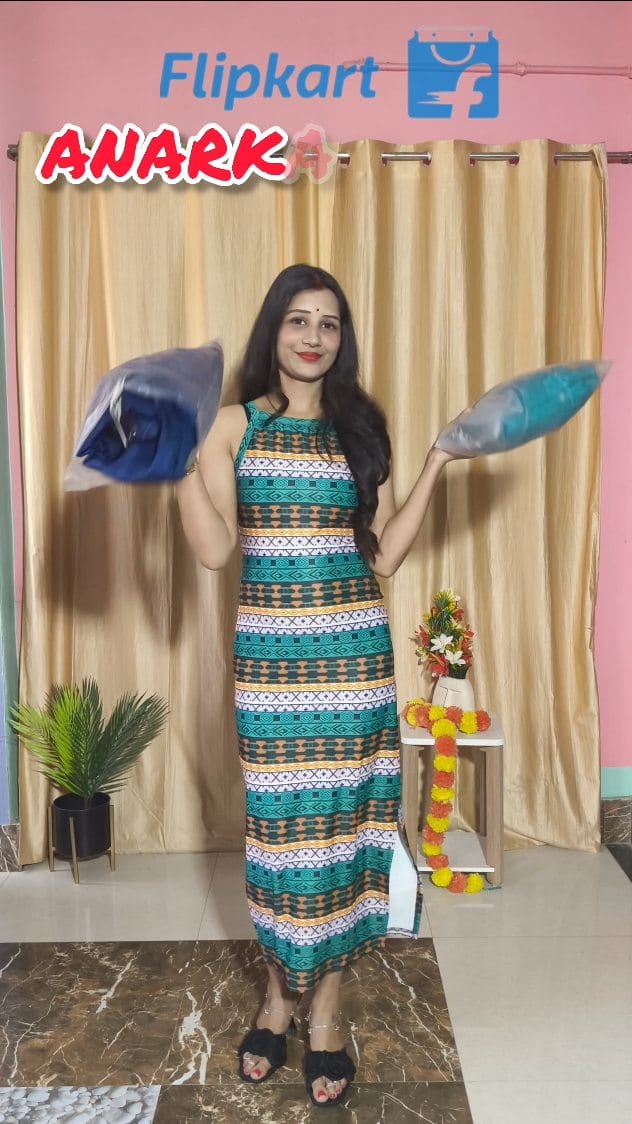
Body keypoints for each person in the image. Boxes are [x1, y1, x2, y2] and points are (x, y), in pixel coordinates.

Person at [176, 263, 458, 1108]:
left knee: (344, 837)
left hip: (355, 662)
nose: (313, 336)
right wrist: (176, 464)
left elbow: (386, 556)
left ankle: (325, 1012)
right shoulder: (233, 425)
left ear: (343, 338)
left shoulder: (357, 427)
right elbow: (215, 551)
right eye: (298, 320)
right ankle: (277, 996)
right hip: (271, 669)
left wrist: (437, 460)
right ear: (274, 329)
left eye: (328, 323)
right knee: (282, 842)